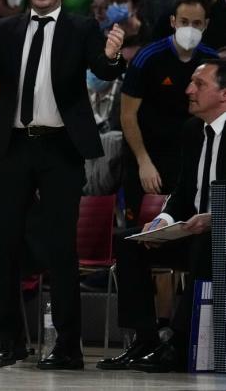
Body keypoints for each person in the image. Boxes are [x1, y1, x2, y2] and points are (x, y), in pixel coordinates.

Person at [0, 0, 126, 370]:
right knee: (2, 242)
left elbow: (103, 67)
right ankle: (7, 341)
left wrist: (114, 53)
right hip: (13, 146)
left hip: (62, 147)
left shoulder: (80, 27)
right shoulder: (7, 29)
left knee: (61, 247)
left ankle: (67, 346)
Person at [98, 59, 226, 372]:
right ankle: (144, 339)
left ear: (224, 94)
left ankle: (180, 343)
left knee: (207, 241)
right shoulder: (193, 130)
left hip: (218, 234)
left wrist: (215, 218)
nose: (188, 90)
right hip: (193, 229)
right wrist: (164, 221)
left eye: (199, 84)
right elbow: (183, 191)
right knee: (129, 242)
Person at [120, 0, 218, 225]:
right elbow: (127, 114)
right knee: (140, 230)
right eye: (184, 22)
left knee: (184, 227)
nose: (189, 28)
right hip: (146, 152)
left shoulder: (212, 62)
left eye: (196, 23)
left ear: (206, 25)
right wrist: (144, 162)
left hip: (189, 155)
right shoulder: (148, 57)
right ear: (173, 22)